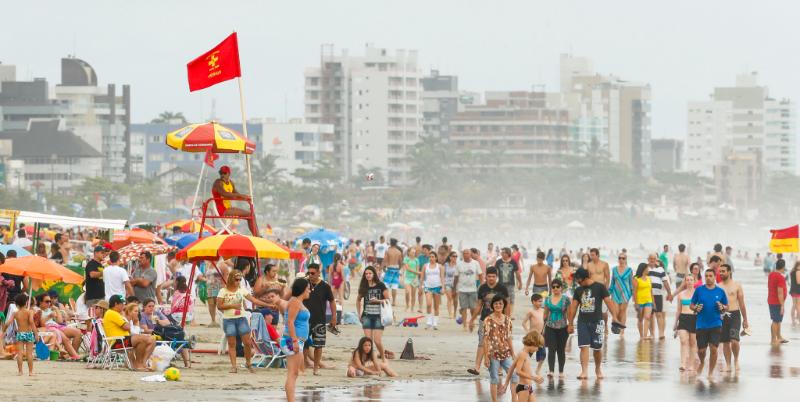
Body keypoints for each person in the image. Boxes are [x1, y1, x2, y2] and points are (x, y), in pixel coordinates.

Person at [567, 268, 619, 380]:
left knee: (597, 348)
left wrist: (614, 317)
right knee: (584, 347)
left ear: (584, 278)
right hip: (582, 322)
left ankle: (598, 369)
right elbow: (573, 307)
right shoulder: (578, 290)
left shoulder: (600, 287)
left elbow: (609, 302)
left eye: (578, 280)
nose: (577, 282)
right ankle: (584, 371)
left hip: (598, 321)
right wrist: (570, 323)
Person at [217, 269, 268, 373]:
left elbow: (253, 300)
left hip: (241, 318)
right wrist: (231, 305)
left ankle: (248, 363)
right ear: (231, 279)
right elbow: (219, 306)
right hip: (228, 319)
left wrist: (268, 305)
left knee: (247, 343)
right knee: (232, 344)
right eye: (236, 279)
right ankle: (234, 366)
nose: (238, 281)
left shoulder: (242, 289)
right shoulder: (223, 291)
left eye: (240, 279)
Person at [468, 267, 509, 376]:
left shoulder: (502, 288)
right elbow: (479, 305)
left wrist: (507, 320)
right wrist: (472, 319)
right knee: (482, 343)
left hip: (499, 320)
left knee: (499, 343)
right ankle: (476, 367)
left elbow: (507, 305)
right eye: (489, 276)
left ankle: (499, 369)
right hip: (485, 319)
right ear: (486, 276)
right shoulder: (482, 288)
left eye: (493, 276)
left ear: (496, 277)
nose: (491, 278)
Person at [690, 269, 728, 378]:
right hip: (701, 324)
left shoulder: (720, 291)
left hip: (716, 323)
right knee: (701, 350)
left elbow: (726, 307)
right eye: (706, 276)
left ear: (714, 277)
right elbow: (691, 305)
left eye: (710, 275)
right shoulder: (699, 290)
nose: (708, 278)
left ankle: (710, 372)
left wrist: (722, 307)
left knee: (713, 348)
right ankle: (702, 362)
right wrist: (696, 307)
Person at [102, 295, 156, 371]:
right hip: (117, 342)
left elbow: (129, 328)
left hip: (122, 341)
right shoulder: (112, 313)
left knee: (151, 339)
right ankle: (138, 364)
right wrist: (132, 320)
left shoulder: (115, 314)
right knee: (143, 339)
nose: (124, 306)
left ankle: (142, 363)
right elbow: (127, 327)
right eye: (122, 304)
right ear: (116, 304)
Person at [303, 263, 337, 375]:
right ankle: (303, 365)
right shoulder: (304, 283)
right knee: (304, 344)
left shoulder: (325, 286)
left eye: (313, 273)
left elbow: (332, 301)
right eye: (309, 273)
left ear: (318, 273)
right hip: (305, 320)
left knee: (319, 345)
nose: (310, 275)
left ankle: (316, 368)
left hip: (320, 319)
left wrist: (334, 317)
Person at [483, 294, 517, 402]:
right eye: (496, 303)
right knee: (494, 379)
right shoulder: (488, 320)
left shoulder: (508, 320)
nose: (498, 305)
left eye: (500, 303)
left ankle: (514, 399)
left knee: (514, 376)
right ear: (492, 306)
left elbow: (509, 338)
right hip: (493, 354)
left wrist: (513, 353)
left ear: (504, 305)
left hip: (506, 353)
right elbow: (485, 339)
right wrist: (486, 357)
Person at [139, 298, 190, 368]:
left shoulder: (157, 313)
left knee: (181, 341)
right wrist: (157, 331)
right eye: (149, 306)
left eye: (153, 306)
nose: (151, 308)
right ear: (144, 307)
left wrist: (159, 321)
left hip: (162, 334)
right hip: (151, 335)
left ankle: (187, 364)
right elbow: (145, 330)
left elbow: (168, 322)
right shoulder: (142, 316)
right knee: (166, 338)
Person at [284, 278, 312, 402]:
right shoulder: (295, 301)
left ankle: (292, 399)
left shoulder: (297, 302)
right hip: (292, 341)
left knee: (295, 373)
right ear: (302, 289)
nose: (310, 290)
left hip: (297, 341)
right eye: (308, 288)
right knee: (292, 373)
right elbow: (290, 321)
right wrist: (295, 341)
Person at [718, 263, 748, 372]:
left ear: (729, 272)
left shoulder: (737, 286)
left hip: (735, 315)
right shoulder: (718, 286)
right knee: (725, 342)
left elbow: (742, 304)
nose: (721, 273)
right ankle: (728, 364)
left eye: (723, 271)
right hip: (722, 316)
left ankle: (736, 360)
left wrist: (745, 319)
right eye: (720, 271)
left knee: (734, 340)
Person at [211, 165, 256, 235]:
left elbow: (236, 194)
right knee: (249, 214)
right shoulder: (218, 182)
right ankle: (257, 235)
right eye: (221, 173)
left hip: (229, 208)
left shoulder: (231, 183)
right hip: (222, 210)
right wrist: (241, 195)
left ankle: (257, 235)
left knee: (251, 215)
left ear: (229, 173)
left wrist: (246, 198)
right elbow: (225, 194)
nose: (222, 175)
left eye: (224, 173)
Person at [500, 331, 545, 402]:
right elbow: (518, 371)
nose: (537, 349)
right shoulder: (523, 354)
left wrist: (506, 384)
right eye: (538, 347)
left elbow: (511, 368)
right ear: (533, 343)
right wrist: (533, 378)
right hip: (524, 387)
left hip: (528, 387)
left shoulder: (523, 353)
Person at [356, 266, 389, 360]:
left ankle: (383, 358)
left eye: (370, 273)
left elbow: (388, 300)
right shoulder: (364, 286)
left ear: (374, 274)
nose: (368, 275)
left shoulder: (381, 285)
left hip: (379, 316)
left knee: (377, 341)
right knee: (368, 342)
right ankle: (370, 359)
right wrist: (359, 314)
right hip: (367, 316)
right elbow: (358, 300)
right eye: (366, 274)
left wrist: (378, 301)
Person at [35, 293, 80, 359]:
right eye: (47, 301)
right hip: (48, 328)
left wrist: (57, 310)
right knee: (66, 340)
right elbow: (41, 324)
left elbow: (60, 321)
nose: (49, 303)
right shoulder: (38, 311)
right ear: (40, 302)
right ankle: (75, 356)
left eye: (50, 301)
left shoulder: (50, 309)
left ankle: (71, 355)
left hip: (57, 326)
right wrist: (49, 316)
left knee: (78, 332)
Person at [543, 279, 569, 378]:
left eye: (557, 286)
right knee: (551, 349)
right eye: (553, 287)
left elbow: (570, 313)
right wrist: (543, 324)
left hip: (563, 327)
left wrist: (570, 324)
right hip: (550, 327)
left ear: (561, 287)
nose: (555, 288)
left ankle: (561, 371)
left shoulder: (566, 299)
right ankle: (551, 371)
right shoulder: (548, 299)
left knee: (561, 350)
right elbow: (545, 313)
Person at [673, 274, 698, 372]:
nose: (689, 282)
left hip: (694, 319)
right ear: (685, 282)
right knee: (683, 341)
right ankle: (683, 364)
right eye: (687, 280)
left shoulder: (697, 294)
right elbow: (678, 310)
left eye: (691, 280)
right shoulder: (681, 294)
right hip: (683, 318)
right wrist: (675, 323)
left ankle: (691, 365)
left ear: (694, 281)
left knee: (693, 343)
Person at [8, 294, 37, 375]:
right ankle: (30, 372)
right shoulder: (30, 312)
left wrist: (3, 329)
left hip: (20, 334)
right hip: (28, 333)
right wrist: (36, 334)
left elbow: (9, 322)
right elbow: (31, 322)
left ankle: (20, 371)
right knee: (29, 354)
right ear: (26, 302)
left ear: (16, 304)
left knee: (20, 353)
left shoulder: (15, 313)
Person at [454, 248, 482, 332]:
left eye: (467, 253)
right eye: (464, 253)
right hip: (462, 289)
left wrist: (482, 285)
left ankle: (472, 321)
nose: (465, 255)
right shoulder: (459, 264)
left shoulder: (475, 263)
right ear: (462, 255)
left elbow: (480, 275)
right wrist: (454, 288)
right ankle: (464, 325)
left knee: (473, 308)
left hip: (473, 289)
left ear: (470, 254)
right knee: (463, 308)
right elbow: (456, 277)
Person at [647, 253, 672, 339]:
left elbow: (665, 282)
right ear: (648, 259)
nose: (652, 260)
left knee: (659, 314)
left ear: (656, 259)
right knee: (649, 315)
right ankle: (652, 334)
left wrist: (669, 293)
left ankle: (661, 333)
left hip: (658, 294)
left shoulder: (661, 269)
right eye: (650, 258)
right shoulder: (645, 268)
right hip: (647, 295)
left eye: (654, 258)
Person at [609, 253, 633, 335]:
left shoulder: (629, 270)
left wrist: (631, 294)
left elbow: (631, 283)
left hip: (625, 293)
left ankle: (622, 332)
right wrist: (609, 292)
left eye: (623, 258)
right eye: (620, 258)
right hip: (615, 293)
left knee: (623, 311)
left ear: (626, 259)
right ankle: (616, 327)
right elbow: (612, 282)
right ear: (618, 259)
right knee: (616, 311)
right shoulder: (614, 269)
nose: (621, 260)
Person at [522, 294, 546, 376]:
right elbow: (523, 323)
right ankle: (523, 367)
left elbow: (545, 322)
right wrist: (527, 332)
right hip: (532, 336)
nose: (541, 303)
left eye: (541, 301)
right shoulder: (531, 311)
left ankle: (538, 370)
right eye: (539, 301)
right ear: (533, 302)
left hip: (541, 336)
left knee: (543, 354)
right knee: (527, 353)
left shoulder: (543, 311)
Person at [494, 248, 521, 316]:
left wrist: (520, 282)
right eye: (501, 252)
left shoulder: (513, 262)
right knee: (500, 299)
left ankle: (510, 314)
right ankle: (502, 313)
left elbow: (517, 273)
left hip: (510, 284)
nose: (501, 254)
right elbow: (495, 273)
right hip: (500, 284)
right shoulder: (498, 262)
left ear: (508, 254)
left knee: (511, 299)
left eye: (503, 252)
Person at [422, 251, 445, 330]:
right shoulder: (425, 266)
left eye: (433, 257)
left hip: (437, 287)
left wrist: (443, 287)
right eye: (430, 257)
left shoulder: (440, 266)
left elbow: (442, 278)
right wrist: (421, 286)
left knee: (436, 306)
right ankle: (428, 322)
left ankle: (435, 323)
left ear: (436, 258)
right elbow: (422, 277)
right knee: (428, 304)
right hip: (428, 287)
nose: (431, 258)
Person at [768, 259, 788, 345]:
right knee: (775, 321)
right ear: (783, 267)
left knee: (778, 320)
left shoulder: (771, 274)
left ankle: (779, 337)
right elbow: (780, 292)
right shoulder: (780, 277)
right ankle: (773, 339)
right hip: (776, 302)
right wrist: (782, 305)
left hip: (771, 300)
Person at [632, 263, 654, 340]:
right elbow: (634, 292)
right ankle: (641, 336)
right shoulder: (636, 279)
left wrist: (653, 303)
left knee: (647, 317)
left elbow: (651, 291)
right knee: (640, 319)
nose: (648, 270)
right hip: (639, 301)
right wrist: (636, 303)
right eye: (647, 268)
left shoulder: (649, 278)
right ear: (644, 269)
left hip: (648, 300)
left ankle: (645, 335)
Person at [381, 239, 403, 305]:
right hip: (396, 270)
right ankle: (394, 301)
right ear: (396, 244)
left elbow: (385, 260)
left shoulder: (388, 251)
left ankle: (387, 300)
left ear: (390, 243)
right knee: (394, 286)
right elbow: (400, 262)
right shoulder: (399, 252)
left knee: (386, 286)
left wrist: (383, 267)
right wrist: (399, 269)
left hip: (389, 269)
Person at [402, 247, 422, 312]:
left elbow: (417, 269)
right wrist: (418, 273)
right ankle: (407, 305)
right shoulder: (406, 259)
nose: (414, 253)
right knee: (407, 292)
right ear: (409, 252)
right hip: (407, 277)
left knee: (413, 294)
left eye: (414, 252)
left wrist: (417, 275)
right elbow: (407, 268)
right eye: (412, 252)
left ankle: (412, 308)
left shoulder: (417, 260)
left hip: (414, 278)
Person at [443, 251, 459, 318]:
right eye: (453, 256)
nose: (455, 257)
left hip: (456, 284)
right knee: (449, 298)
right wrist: (443, 284)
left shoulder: (458, 265)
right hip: (447, 283)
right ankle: (450, 313)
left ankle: (455, 312)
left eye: (456, 256)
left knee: (455, 299)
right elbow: (443, 274)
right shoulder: (446, 264)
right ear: (450, 257)